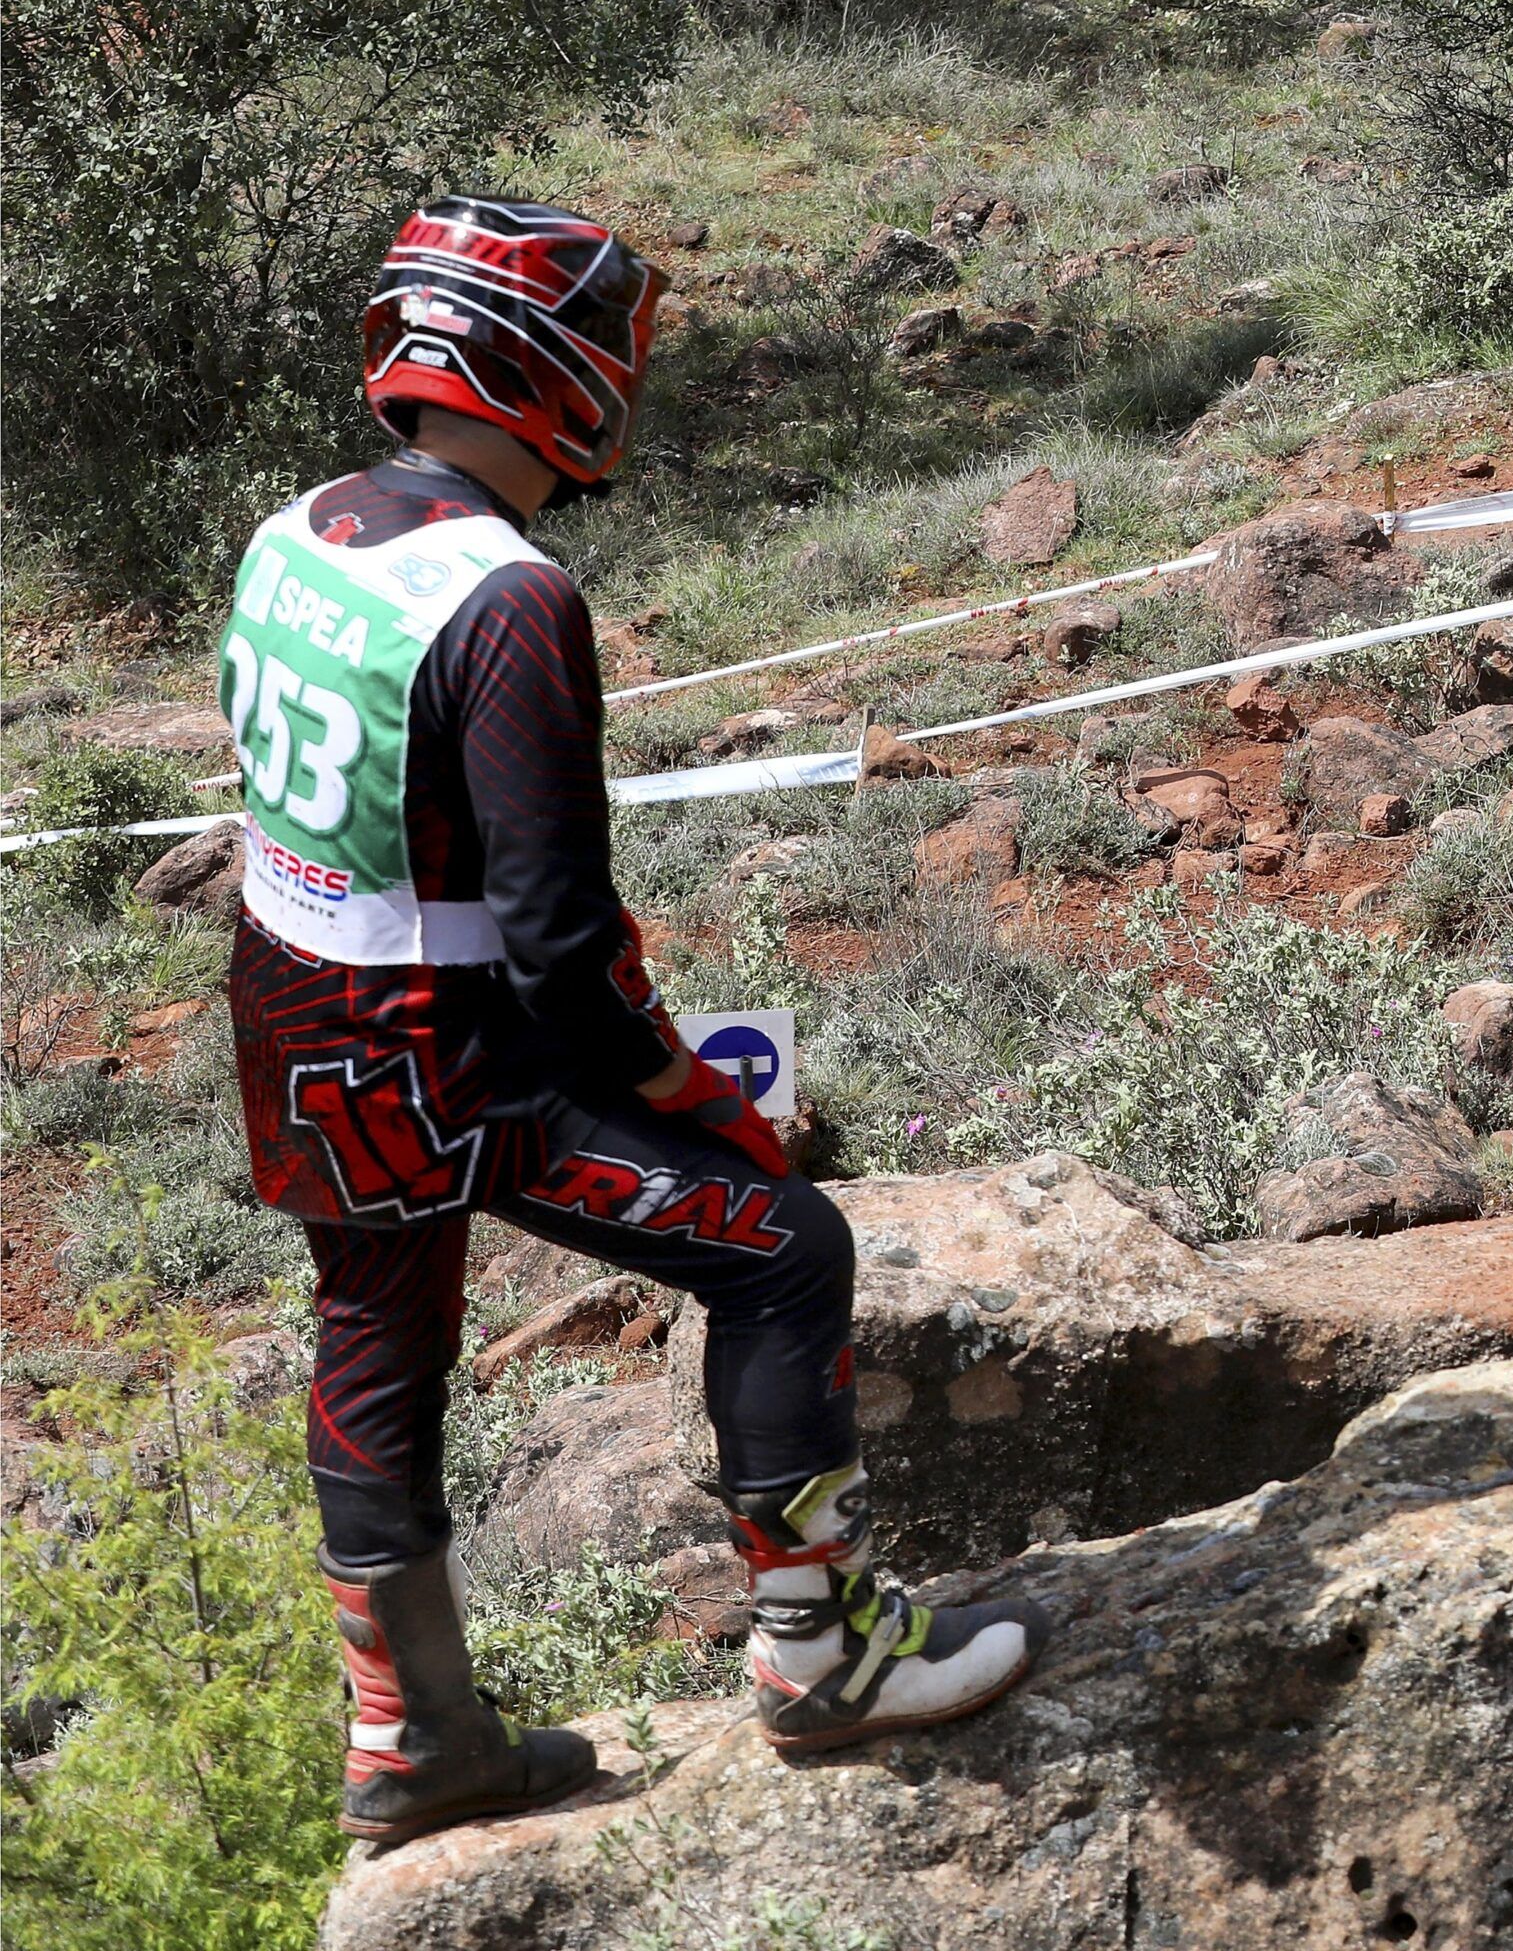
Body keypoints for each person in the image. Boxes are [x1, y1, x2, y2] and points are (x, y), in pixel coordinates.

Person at [219, 197, 1043, 1846]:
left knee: (374, 1357)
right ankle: (821, 1652)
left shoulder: (299, 529)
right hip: (446, 1055)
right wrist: (685, 1084)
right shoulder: (511, 600)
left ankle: (409, 1739)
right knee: (785, 1248)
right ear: (547, 370)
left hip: (293, 1023)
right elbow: (558, 933)